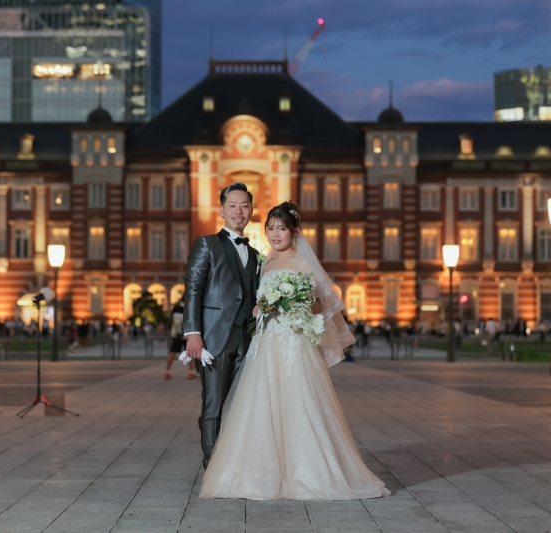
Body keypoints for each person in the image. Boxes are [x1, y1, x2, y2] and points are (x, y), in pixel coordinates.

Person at [200, 201, 389, 501]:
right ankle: (260, 472)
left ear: (295, 232)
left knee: (298, 402)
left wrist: (289, 303)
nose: (275, 234)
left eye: (282, 228)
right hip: (265, 342)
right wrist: (260, 306)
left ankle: (306, 471)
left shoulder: (303, 263)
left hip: (292, 341)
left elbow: (319, 304)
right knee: (261, 403)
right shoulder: (265, 262)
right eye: (271, 228)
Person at [183, 182, 260, 471]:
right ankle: (213, 465)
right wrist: (193, 333)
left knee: (239, 403)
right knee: (214, 402)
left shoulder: (253, 253)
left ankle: (235, 459)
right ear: (221, 210)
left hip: (247, 337)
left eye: (244, 206)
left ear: (251, 210)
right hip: (213, 337)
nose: (239, 211)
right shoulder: (207, 244)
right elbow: (193, 288)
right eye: (233, 205)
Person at [164, 301, 196, 380]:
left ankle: (167, 372)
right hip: (186, 335)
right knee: (189, 353)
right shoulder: (189, 308)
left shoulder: (176, 308)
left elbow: (172, 321)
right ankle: (191, 372)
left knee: (172, 352)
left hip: (176, 335)